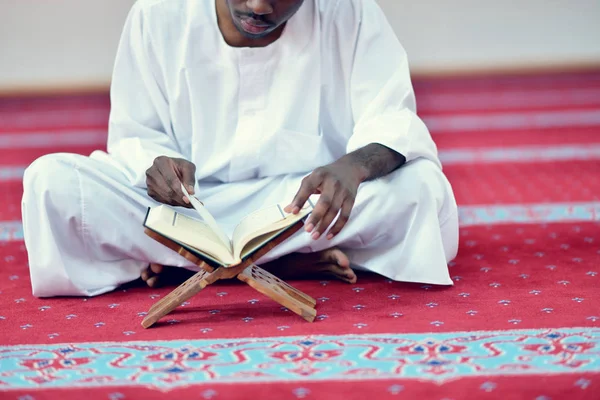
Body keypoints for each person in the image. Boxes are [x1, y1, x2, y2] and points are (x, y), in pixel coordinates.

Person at [21, 0, 459, 297]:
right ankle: (283, 266)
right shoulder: (158, 13)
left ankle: (198, 268)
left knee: (421, 188)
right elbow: (136, 133)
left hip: (302, 208)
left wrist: (353, 166)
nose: (258, 6)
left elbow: (392, 117)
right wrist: (152, 164)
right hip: (189, 214)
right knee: (51, 182)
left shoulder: (349, 12)